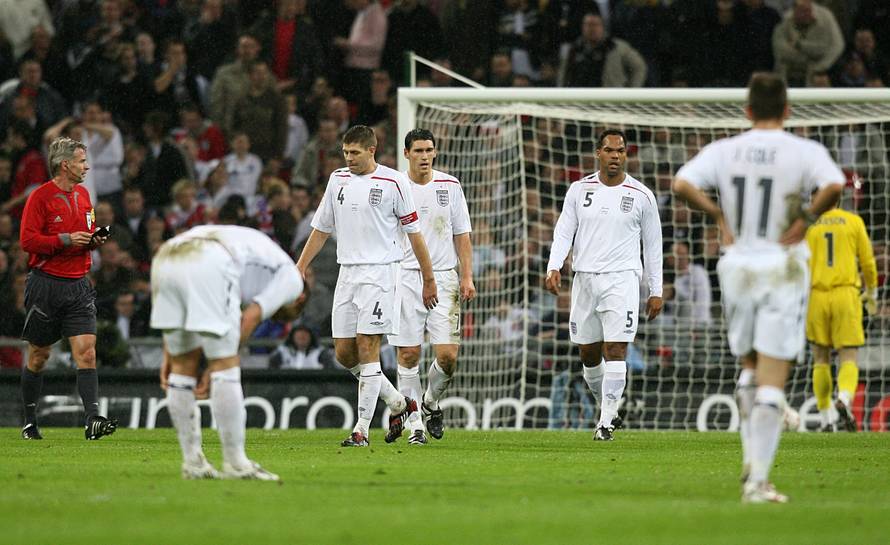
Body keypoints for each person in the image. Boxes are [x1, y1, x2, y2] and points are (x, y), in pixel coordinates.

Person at [672, 72, 845, 503]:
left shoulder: (725, 150)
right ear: (787, 109)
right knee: (772, 378)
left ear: (747, 111)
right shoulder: (804, 150)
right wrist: (806, 219)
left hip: (737, 268)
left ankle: (751, 462)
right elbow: (835, 185)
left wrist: (718, 215)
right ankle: (758, 482)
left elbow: (680, 183)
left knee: (749, 366)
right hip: (781, 267)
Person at [296, 125, 438, 447]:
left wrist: (428, 279)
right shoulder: (338, 180)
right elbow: (320, 228)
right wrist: (300, 266)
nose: (349, 159)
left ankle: (360, 430)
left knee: (368, 348)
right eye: (345, 153)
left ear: (371, 150)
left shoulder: (394, 182)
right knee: (345, 354)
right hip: (347, 273)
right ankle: (400, 403)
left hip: (381, 274)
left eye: (355, 153)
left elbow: (415, 235)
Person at [152, 224, 305, 480]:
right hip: (210, 258)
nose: (279, 319)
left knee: (182, 368)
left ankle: (193, 464)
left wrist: (170, 355)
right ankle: (236, 463)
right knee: (226, 367)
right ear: (299, 300)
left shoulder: (256, 251)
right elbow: (250, 318)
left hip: (168, 254)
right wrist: (213, 370)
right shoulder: (293, 280)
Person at [545, 128, 663, 442]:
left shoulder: (641, 195)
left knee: (616, 348)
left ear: (626, 155)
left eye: (621, 151)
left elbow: (653, 246)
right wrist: (554, 266)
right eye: (610, 150)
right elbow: (564, 230)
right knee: (588, 354)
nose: (615, 156)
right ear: (598, 153)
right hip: (584, 278)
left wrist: (656, 290)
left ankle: (605, 424)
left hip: (622, 279)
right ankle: (606, 407)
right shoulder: (578, 190)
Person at [18, 136, 116, 441]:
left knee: (86, 353)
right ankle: (29, 421)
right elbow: (28, 241)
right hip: (46, 285)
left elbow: (82, 235)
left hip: (79, 285)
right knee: (38, 356)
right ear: (65, 165)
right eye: (82, 161)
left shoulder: (84, 196)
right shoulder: (40, 197)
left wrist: (93, 240)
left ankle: (92, 420)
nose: (86, 167)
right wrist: (64, 240)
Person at [388, 129, 475, 445]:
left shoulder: (450, 186)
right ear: (406, 153)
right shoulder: (395, 187)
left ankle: (429, 403)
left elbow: (462, 234)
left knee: (448, 356)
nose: (425, 156)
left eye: (429, 150)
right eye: (419, 151)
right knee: (409, 354)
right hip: (405, 277)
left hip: (444, 277)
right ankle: (415, 427)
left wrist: (467, 276)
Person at [805, 202, 877, 432]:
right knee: (849, 355)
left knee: (820, 358)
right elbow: (867, 261)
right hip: (846, 293)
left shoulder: (808, 224)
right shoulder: (853, 221)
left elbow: (800, 264)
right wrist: (872, 291)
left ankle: (826, 416)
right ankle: (844, 399)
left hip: (816, 294)